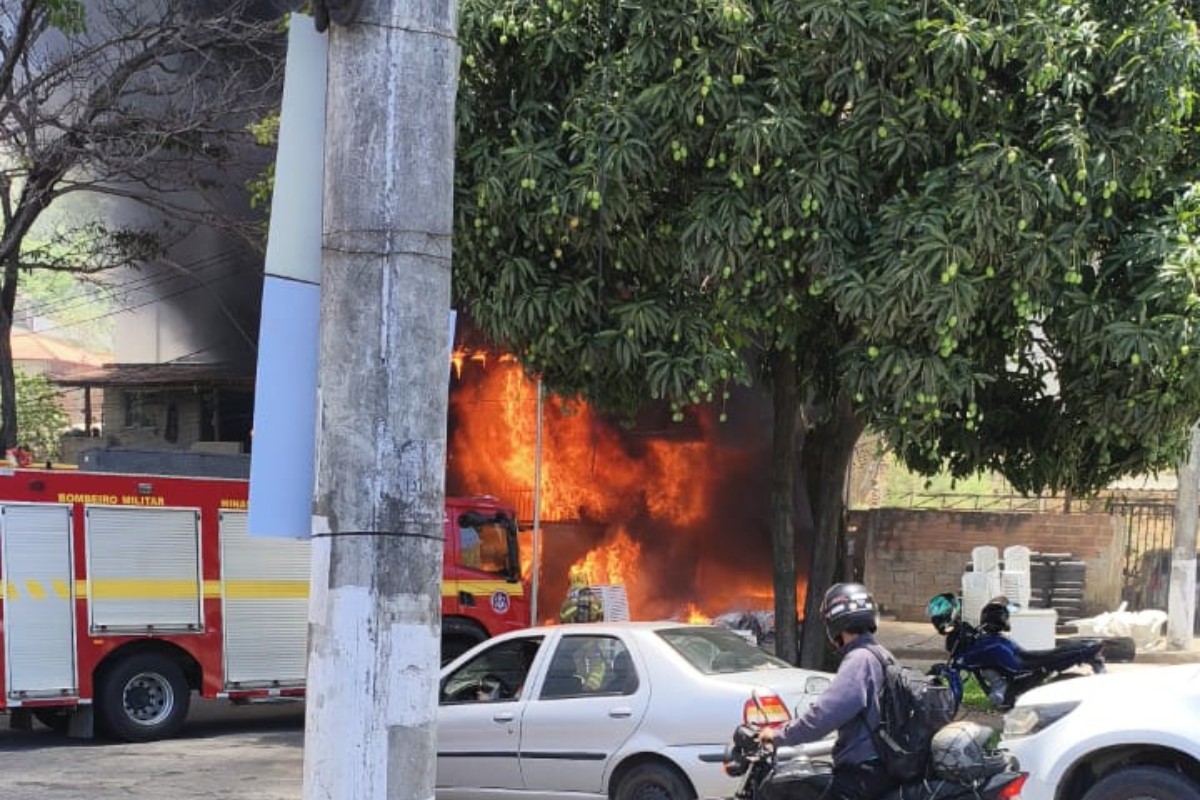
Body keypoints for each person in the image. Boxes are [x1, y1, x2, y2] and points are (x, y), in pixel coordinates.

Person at [758, 582, 899, 800]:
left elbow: (825, 714)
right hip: (882, 767)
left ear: (836, 621)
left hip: (862, 772)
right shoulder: (881, 654)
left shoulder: (859, 659)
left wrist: (778, 735)